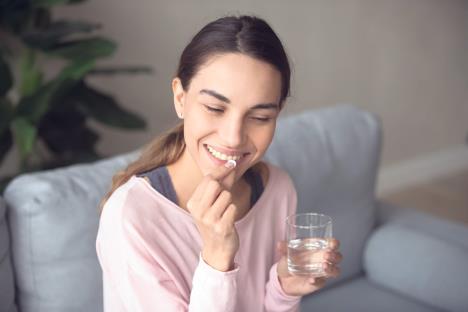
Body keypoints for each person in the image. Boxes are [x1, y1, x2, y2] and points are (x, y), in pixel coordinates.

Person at [96, 14, 342, 312]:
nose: (234, 137)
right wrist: (216, 259)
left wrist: (284, 289)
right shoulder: (131, 216)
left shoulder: (278, 189)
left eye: (260, 117)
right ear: (180, 97)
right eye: (214, 108)